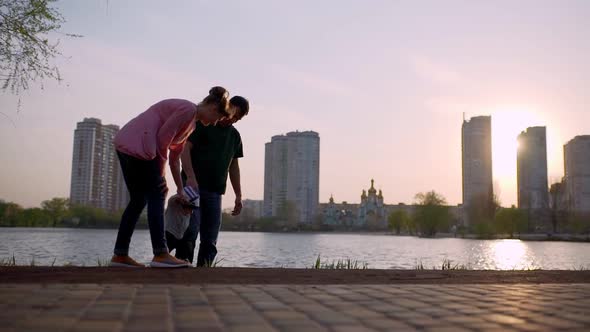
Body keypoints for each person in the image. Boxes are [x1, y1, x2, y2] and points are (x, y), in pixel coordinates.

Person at [110, 87, 233, 268]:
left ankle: (120, 255)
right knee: (158, 192)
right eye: (218, 118)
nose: (215, 123)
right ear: (213, 109)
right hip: (139, 145)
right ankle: (160, 254)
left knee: (138, 200)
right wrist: (161, 177)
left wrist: (180, 189)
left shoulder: (191, 123)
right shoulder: (188, 109)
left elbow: (175, 157)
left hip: (128, 144)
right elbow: (162, 140)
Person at [166, 95, 249, 266]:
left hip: (216, 191)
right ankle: (183, 265)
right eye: (233, 114)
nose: (233, 120)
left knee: (210, 237)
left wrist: (238, 195)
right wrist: (190, 177)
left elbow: (234, 167)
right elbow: (184, 149)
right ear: (227, 107)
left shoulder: (235, 136)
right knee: (190, 230)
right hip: (192, 188)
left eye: (238, 118)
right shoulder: (205, 123)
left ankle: (205, 271)